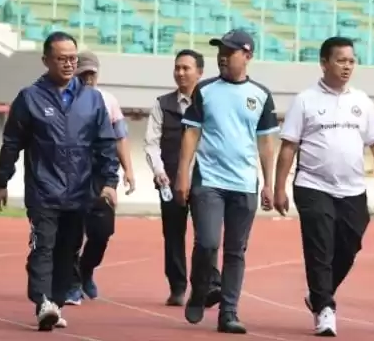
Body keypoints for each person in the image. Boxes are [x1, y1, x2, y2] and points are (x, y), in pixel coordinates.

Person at [273, 36, 374, 337]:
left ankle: (319, 292)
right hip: (313, 185)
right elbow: (289, 147)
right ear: (324, 62)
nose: (347, 66)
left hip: (353, 189)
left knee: (350, 244)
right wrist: (279, 187)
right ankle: (325, 309)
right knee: (320, 246)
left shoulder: (361, 101)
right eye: (341, 60)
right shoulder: (305, 100)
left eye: (351, 61)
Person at [0, 32, 119, 332]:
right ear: (46, 60)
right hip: (43, 190)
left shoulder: (92, 99)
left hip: (79, 191)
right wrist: (2, 180)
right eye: (61, 59)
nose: (68, 64)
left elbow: (105, 144)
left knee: (68, 250)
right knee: (43, 246)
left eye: (73, 58)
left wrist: (110, 181)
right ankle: (42, 301)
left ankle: (56, 302)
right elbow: (12, 142)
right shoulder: (29, 98)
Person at [175, 30, 279, 334]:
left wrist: (268, 183)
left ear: (247, 56)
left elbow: (266, 143)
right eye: (220, 50)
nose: (222, 55)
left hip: (245, 184)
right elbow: (191, 133)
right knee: (207, 243)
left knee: (236, 251)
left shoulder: (260, 95)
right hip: (209, 180)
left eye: (230, 51)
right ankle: (200, 289)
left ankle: (229, 312)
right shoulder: (204, 90)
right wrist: (183, 175)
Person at [144, 49, 222, 307]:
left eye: (186, 68)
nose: (180, 72)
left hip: (205, 180)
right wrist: (159, 172)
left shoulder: (211, 102)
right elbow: (152, 143)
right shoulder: (162, 103)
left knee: (206, 236)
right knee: (174, 236)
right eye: (177, 67)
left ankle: (208, 284)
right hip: (170, 181)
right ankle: (177, 287)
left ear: (200, 72)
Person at [65, 51, 136, 305]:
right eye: (83, 74)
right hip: (71, 174)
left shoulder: (108, 101)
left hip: (100, 175)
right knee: (71, 230)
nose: (88, 78)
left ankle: (86, 269)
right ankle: (71, 283)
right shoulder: (65, 99)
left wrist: (127, 170)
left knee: (102, 231)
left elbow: (120, 137)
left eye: (91, 74)